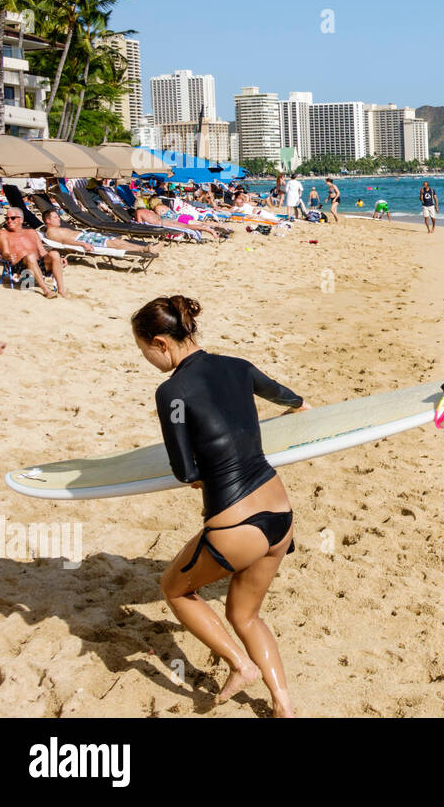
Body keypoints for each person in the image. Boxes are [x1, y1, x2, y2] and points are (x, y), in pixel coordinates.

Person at [133, 295, 309, 718]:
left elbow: (182, 468)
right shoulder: (238, 366)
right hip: (280, 515)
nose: (147, 360)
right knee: (244, 615)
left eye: (144, 351)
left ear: (160, 343)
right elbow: (288, 397)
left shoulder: (172, 391)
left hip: (235, 525)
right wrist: (301, 410)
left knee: (175, 589)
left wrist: (198, 473)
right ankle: (283, 704)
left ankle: (241, 665)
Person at [0, 208, 65, 298]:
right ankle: (46, 290)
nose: (9, 221)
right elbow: (5, 252)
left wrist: (58, 259)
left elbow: (42, 251)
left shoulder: (32, 232)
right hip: (20, 267)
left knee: (55, 253)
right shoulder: (3, 233)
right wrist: (8, 256)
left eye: (12, 218)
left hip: (38, 264)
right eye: (7, 218)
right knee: (30, 256)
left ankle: (61, 290)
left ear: (21, 219)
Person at [43, 210, 153, 253]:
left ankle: (145, 248)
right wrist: (83, 244)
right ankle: (144, 249)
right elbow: (64, 241)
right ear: (48, 220)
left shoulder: (57, 229)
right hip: (83, 240)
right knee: (114, 244)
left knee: (117, 241)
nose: (59, 218)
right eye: (55, 217)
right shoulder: (51, 232)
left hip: (86, 235)